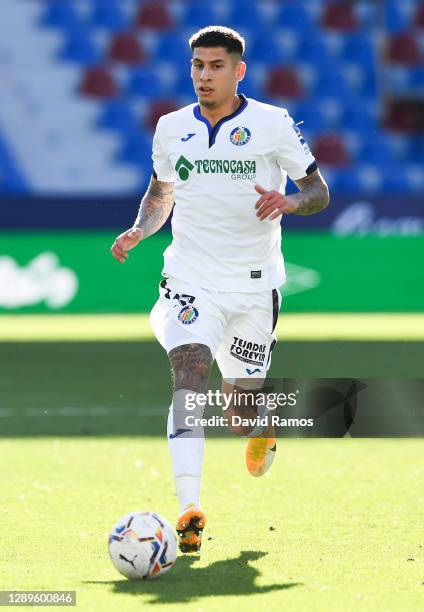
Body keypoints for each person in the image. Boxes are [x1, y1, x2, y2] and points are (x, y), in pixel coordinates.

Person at [111, 26, 329, 553]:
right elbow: (161, 192)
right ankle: (189, 509)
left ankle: (261, 426)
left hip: (253, 288)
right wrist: (143, 227)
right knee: (188, 376)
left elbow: (317, 191)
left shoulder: (273, 124)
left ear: (239, 71)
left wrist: (290, 204)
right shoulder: (170, 127)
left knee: (239, 413)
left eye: (215, 66)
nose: (204, 76)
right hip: (190, 278)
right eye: (197, 66)